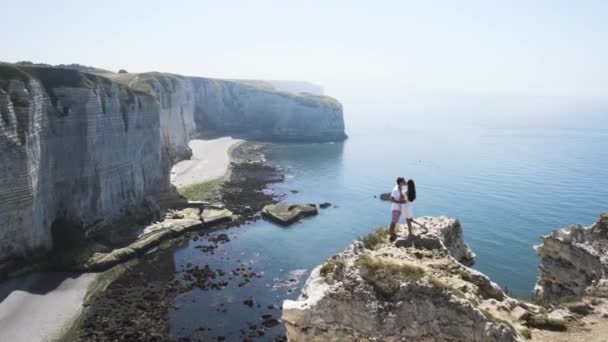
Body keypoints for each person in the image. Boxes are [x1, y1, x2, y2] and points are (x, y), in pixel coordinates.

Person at [389, 177, 407, 241]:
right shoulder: (396, 189)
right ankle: (391, 236)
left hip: (399, 208)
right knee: (393, 222)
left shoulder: (400, 187)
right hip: (395, 208)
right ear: (400, 182)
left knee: (395, 221)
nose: (405, 182)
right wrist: (400, 202)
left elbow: (406, 185)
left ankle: (393, 234)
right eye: (403, 181)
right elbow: (391, 198)